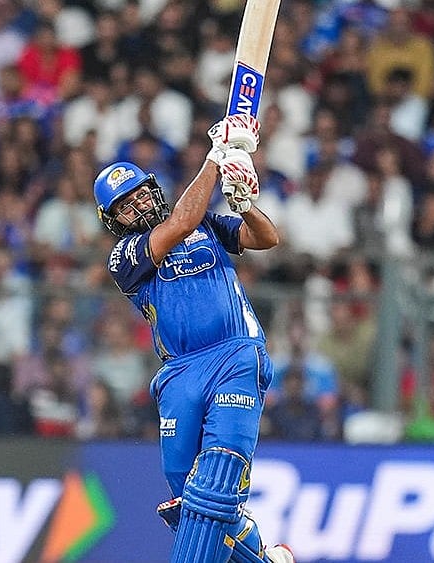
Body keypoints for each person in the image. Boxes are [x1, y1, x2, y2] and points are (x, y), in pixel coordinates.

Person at [93, 113, 293, 563]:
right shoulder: (125, 257)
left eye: (142, 194)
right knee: (189, 501)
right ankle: (263, 557)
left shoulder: (207, 226)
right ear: (114, 220)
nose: (140, 206)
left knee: (216, 481)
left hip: (234, 356)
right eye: (127, 205)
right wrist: (215, 160)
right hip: (180, 372)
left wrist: (242, 202)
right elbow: (182, 222)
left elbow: (267, 238)